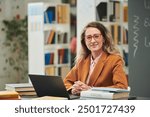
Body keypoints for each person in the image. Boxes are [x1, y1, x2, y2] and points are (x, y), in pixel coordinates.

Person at [63, 21, 128, 95]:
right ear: (84, 41)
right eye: (89, 37)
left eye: (96, 36)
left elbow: (122, 87)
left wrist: (91, 90)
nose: (93, 41)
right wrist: (73, 89)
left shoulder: (114, 60)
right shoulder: (82, 61)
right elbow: (66, 82)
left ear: (103, 39)